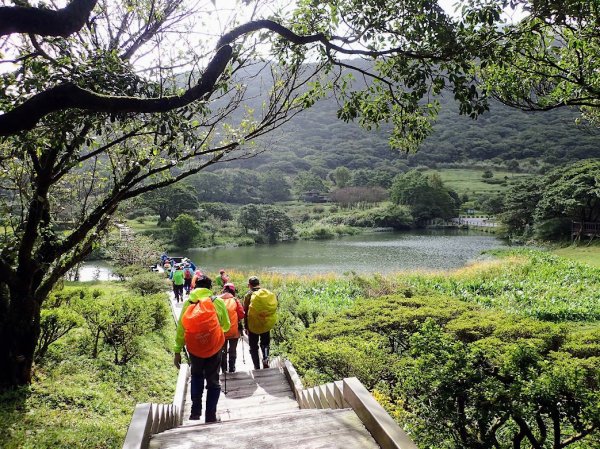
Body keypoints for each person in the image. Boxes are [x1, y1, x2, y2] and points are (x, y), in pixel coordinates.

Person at [173, 275, 230, 422]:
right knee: (213, 380)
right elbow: (226, 325)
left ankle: (195, 411)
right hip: (214, 347)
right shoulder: (217, 302)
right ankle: (210, 415)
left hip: (194, 348)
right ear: (210, 288)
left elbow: (181, 328)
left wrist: (177, 350)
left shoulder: (189, 303)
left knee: (197, 376)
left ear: (195, 287)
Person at [243, 276, 277, 370]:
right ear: (259, 284)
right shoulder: (266, 293)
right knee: (265, 343)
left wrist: (246, 326)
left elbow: (245, 311)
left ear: (249, 285)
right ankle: (265, 359)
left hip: (253, 324)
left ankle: (256, 366)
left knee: (253, 346)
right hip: (265, 323)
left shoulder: (248, 295)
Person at [219, 283, 245, 373]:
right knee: (233, 350)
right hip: (234, 330)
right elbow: (241, 315)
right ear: (233, 291)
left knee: (223, 350)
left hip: (221, 331)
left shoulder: (217, 300)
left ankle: (224, 369)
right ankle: (232, 368)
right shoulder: (235, 300)